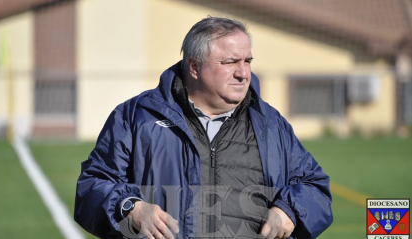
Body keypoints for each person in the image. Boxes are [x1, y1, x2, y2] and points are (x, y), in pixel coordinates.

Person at [74, 16, 333, 239]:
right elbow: (91, 188)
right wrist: (129, 208)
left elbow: (315, 187)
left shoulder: (271, 125)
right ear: (195, 67)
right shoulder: (136, 117)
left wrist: (289, 210)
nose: (244, 73)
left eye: (247, 61)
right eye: (230, 62)